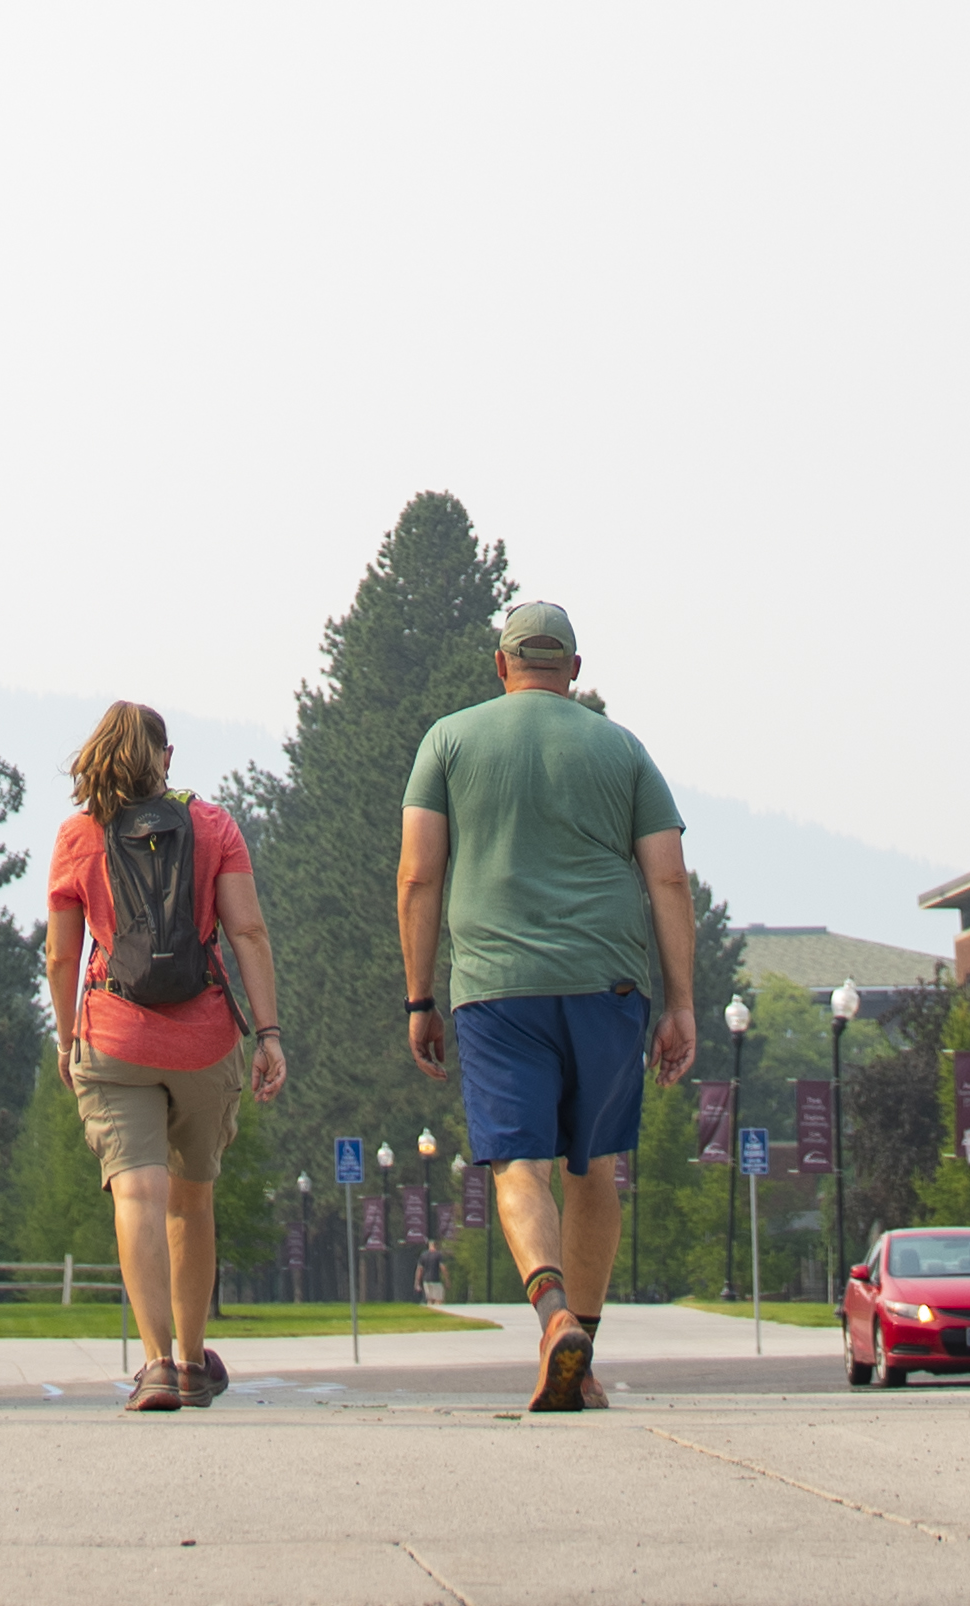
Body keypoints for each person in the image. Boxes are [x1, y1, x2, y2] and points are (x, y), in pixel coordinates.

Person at [396, 591, 694, 1416]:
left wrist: (418, 996)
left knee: (516, 1164)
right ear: (573, 672)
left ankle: (550, 1313)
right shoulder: (622, 748)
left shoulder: (449, 741)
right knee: (593, 1168)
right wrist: (682, 1005)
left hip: (497, 990)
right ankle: (585, 1356)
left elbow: (418, 873)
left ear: (501, 665)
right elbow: (667, 877)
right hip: (609, 986)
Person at [37, 700, 287, 1413]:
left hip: (112, 1035)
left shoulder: (78, 835)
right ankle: (189, 1357)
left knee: (136, 1193)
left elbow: (61, 954)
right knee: (191, 1197)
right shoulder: (212, 826)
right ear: (166, 758)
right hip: (203, 1038)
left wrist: (65, 1037)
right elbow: (248, 932)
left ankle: (151, 1366)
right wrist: (267, 1034)